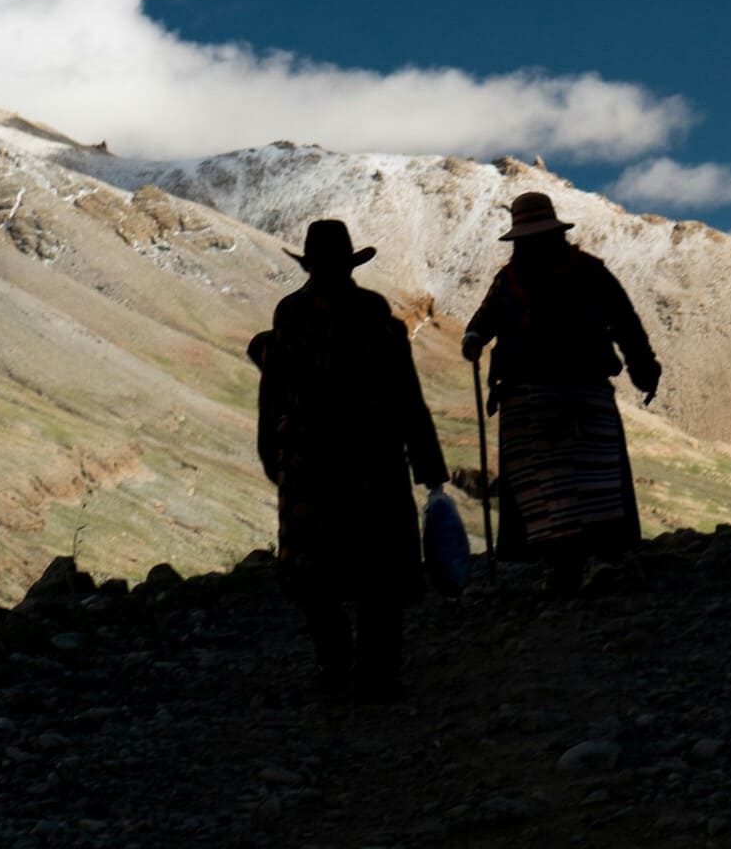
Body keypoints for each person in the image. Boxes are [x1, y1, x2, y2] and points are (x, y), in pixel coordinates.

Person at [250, 219, 448, 698]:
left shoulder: (290, 314)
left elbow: (271, 392)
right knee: (380, 570)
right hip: (373, 461)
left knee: (315, 573)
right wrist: (429, 466)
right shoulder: (373, 313)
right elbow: (406, 392)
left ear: (309, 264)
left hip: (307, 467)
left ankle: (334, 666)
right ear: (350, 262)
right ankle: (377, 672)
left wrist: (271, 456)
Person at [461, 191, 661, 592]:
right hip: (549, 396)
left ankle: (591, 562)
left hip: (561, 393)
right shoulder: (523, 279)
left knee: (565, 482)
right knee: (567, 482)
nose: (532, 244)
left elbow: (624, 321)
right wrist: (474, 337)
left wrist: (643, 369)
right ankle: (570, 565)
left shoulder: (563, 273)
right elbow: (482, 320)